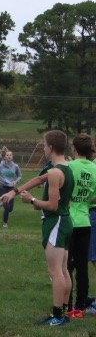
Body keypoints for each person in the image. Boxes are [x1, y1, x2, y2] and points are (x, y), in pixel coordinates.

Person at [0, 130, 75, 326]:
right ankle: (63, 311)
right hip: (64, 222)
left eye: (44, 145)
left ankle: (57, 315)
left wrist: (31, 199)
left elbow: (52, 205)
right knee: (64, 269)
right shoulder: (63, 167)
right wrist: (13, 192)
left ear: (50, 147)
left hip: (56, 221)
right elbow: (39, 180)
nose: (43, 148)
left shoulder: (56, 172)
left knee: (55, 271)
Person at [65, 133, 96, 318]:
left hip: (69, 221)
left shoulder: (69, 167)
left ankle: (67, 305)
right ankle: (80, 307)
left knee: (67, 266)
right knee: (83, 267)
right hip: (85, 221)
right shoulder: (93, 169)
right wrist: (83, 201)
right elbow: (94, 197)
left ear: (74, 149)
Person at [0, 147, 22, 228]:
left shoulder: (15, 166)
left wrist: (16, 181)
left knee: (10, 208)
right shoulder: (0, 166)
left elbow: (20, 175)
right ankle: (5, 223)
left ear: (12, 157)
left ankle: (0, 203)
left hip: (11, 188)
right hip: (2, 187)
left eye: (11, 155)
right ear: (4, 157)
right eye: (7, 155)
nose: (9, 156)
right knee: (7, 206)